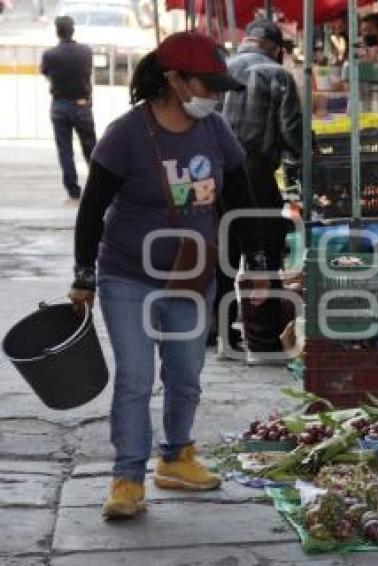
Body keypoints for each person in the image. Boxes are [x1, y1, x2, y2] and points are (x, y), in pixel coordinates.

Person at [68, 32, 271, 520]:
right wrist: (83, 276)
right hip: (128, 275)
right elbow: (92, 209)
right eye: (207, 84)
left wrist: (258, 266)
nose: (215, 96)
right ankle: (127, 478)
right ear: (174, 79)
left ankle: (177, 457)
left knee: (186, 375)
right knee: (135, 378)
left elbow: (242, 199)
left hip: (191, 276)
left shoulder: (217, 130)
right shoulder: (126, 134)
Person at [222, 19, 301, 361]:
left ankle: (222, 334)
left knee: (222, 250)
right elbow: (292, 132)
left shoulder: (219, 69)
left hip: (213, 170)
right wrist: (303, 161)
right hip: (254, 171)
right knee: (265, 250)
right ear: (274, 47)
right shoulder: (277, 74)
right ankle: (266, 337)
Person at [40, 16, 96, 202]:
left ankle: (73, 192)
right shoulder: (86, 52)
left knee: (65, 151)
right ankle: (98, 187)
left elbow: (46, 73)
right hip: (82, 104)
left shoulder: (50, 55)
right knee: (91, 149)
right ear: (73, 30)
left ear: (57, 31)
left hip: (60, 105)